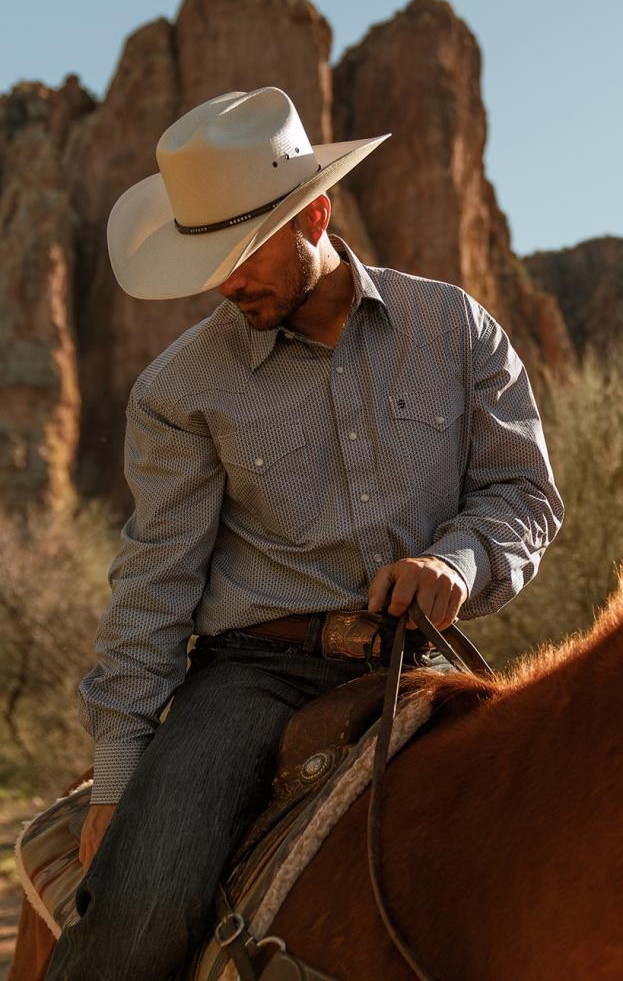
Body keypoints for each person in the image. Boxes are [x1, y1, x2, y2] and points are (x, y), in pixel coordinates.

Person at [46, 86, 564, 980]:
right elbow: (154, 583)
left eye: (244, 253)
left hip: (425, 657)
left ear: (314, 214)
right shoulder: (181, 391)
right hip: (256, 676)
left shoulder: (453, 329)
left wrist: (459, 560)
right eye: (210, 262)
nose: (227, 283)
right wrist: (122, 777)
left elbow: (524, 493)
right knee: (146, 906)